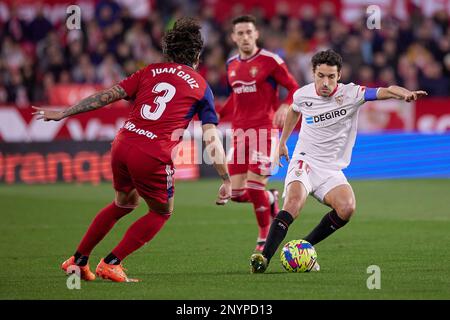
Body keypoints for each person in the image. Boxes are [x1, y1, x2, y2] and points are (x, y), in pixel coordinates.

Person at [33, 18, 232, 282]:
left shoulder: (149, 71)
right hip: (151, 154)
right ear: (197, 54)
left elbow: (107, 95)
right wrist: (226, 178)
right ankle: (111, 263)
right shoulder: (200, 86)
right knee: (162, 211)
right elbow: (211, 138)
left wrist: (65, 113)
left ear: (168, 51)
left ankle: (78, 260)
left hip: (122, 144)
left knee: (124, 202)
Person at [250, 49, 428, 273]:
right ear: (313, 74)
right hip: (305, 161)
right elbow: (294, 112)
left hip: (331, 169)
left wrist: (404, 94)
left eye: (331, 77)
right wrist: (283, 141)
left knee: (347, 208)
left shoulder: (352, 94)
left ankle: (302, 247)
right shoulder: (302, 95)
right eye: (321, 76)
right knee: (293, 204)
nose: (326, 82)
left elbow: (386, 90)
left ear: (339, 76)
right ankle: (263, 258)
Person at [221, 15, 299, 253]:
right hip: (239, 133)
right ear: (233, 37)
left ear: (256, 34)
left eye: (249, 32)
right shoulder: (231, 64)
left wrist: (285, 106)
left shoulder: (271, 61)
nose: (245, 36)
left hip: (264, 131)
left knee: (254, 187)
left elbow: (294, 88)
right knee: (235, 194)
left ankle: (264, 233)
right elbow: (236, 97)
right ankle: (272, 198)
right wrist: (211, 115)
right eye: (240, 33)